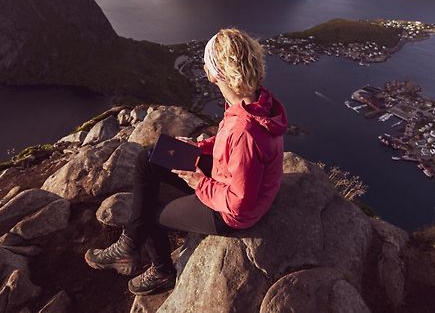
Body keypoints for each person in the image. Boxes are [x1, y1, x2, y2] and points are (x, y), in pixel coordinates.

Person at [84, 28, 288, 296]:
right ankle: (128, 246)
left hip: (231, 211)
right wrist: (200, 147)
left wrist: (200, 182)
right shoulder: (253, 100)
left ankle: (161, 272)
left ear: (216, 73)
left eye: (207, 61)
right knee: (149, 159)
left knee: (153, 215)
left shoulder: (245, 132)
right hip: (225, 177)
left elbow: (240, 202)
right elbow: (231, 143)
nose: (203, 66)